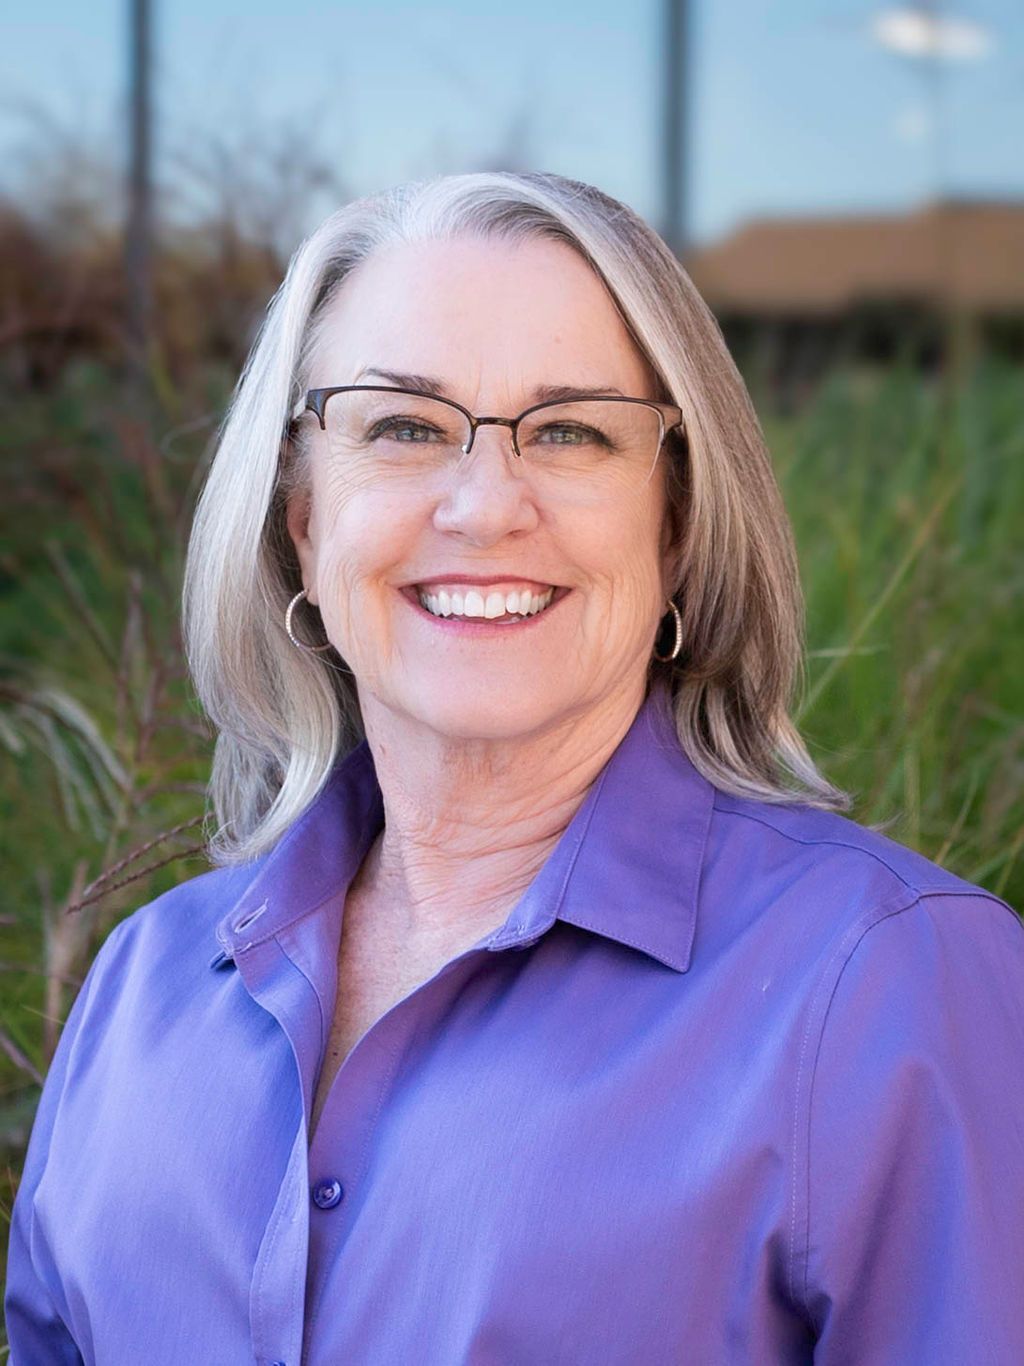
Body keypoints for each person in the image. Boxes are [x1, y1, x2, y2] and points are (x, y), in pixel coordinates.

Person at [5, 170, 1023, 1365]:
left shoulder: (888, 981)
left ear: (678, 525)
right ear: (300, 518)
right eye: (402, 426)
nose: (485, 503)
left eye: (572, 430)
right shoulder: (147, 988)